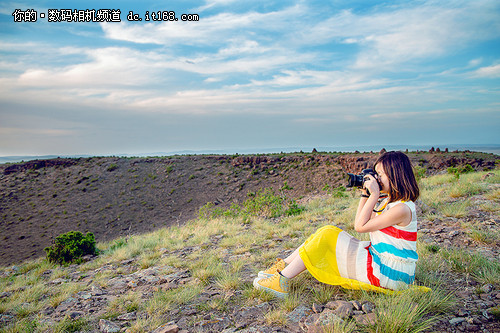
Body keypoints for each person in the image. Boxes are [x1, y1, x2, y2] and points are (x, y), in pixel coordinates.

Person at [253, 151, 424, 297]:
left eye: (380, 174)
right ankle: (284, 266)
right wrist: (366, 195)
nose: (377, 179)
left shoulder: (402, 208)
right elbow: (363, 220)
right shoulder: (390, 202)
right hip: (384, 263)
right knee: (326, 231)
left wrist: (373, 196)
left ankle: (281, 281)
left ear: (396, 175)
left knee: (327, 235)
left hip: (390, 274)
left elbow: (360, 227)